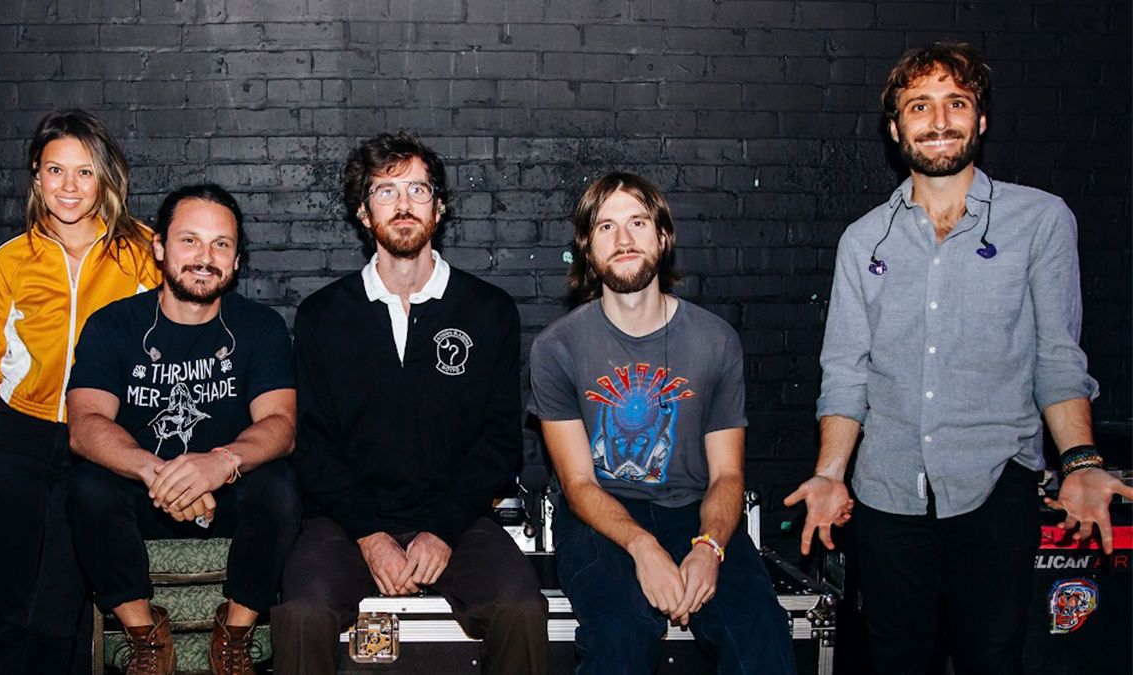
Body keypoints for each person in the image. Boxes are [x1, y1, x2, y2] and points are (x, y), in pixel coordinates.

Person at [784, 42, 1133, 675]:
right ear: (896, 130)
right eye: (920, 106)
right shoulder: (864, 240)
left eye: (956, 103)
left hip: (996, 482)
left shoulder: (1041, 221)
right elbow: (845, 373)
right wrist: (831, 474)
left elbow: (1058, 356)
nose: (938, 120)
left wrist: (1081, 460)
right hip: (886, 493)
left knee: (992, 659)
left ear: (980, 120)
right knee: (892, 660)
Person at [272, 131, 548, 674]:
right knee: (301, 613)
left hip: (457, 520)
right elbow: (314, 445)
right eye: (385, 191)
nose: (403, 204)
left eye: (418, 189)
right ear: (362, 211)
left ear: (439, 207)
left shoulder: (487, 310)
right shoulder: (323, 315)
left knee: (522, 609)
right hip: (345, 525)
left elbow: (499, 444)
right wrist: (370, 536)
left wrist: (443, 529)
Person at [528, 172, 796, 674]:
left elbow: (727, 475)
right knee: (621, 634)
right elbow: (578, 482)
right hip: (600, 516)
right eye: (606, 227)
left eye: (638, 223)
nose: (624, 240)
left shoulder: (714, 341)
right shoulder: (557, 348)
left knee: (762, 631)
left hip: (696, 510)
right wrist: (642, 547)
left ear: (663, 236)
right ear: (587, 247)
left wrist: (710, 546)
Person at [65, 184, 301, 675]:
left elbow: (281, 425)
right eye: (189, 240)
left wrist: (218, 465)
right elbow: (85, 424)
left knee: (280, 486)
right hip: (144, 495)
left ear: (237, 260)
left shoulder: (260, 328)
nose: (205, 257)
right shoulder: (113, 325)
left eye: (221, 244)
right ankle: (145, 638)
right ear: (160, 248)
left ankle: (234, 637)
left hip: (227, 497)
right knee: (87, 486)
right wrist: (159, 473)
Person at [0, 109, 160, 673]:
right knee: (7, 610)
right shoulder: (10, 260)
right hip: (16, 442)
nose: (69, 187)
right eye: (55, 171)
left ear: (105, 178)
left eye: (84, 172)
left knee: (56, 616)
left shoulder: (143, 253)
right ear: (36, 177)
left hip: (95, 445)